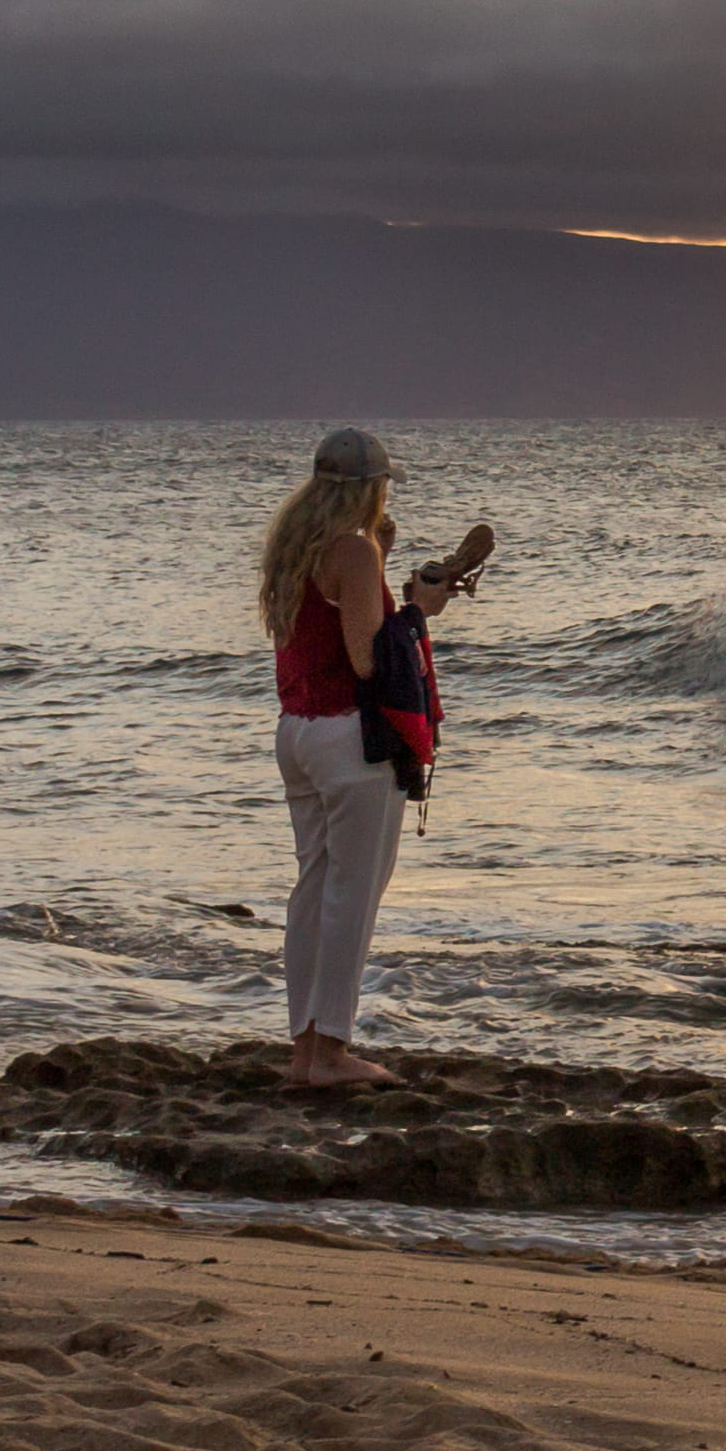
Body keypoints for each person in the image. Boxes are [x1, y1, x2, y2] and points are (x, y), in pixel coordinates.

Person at [257, 426, 472, 1089]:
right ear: (371, 489)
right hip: (351, 735)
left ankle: (304, 1050)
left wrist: (382, 569)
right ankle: (330, 1055)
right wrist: (418, 610)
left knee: (314, 889)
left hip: (298, 730)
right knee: (353, 894)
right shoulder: (352, 551)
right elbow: (365, 657)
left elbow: (331, 626)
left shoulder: (296, 543)